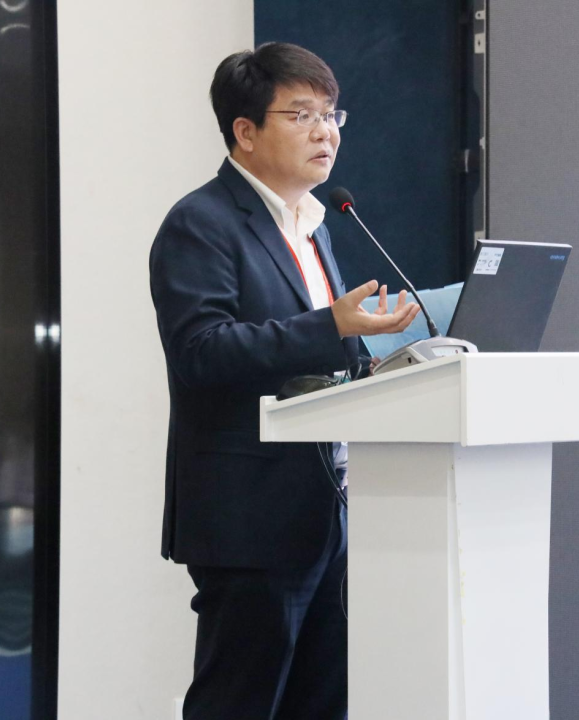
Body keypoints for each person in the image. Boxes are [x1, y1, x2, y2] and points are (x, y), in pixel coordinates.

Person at [149, 42, 418, 719]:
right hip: (249, 517)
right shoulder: (202, 222)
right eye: (302, 115)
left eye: (331, 114)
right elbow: (200, 351)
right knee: (239, 704)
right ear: (245, 131)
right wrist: (332, 325)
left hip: (325, 512)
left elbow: (313, 355)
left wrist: (384, 364)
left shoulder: (315, 225)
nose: (325, 132)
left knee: (322, 705)